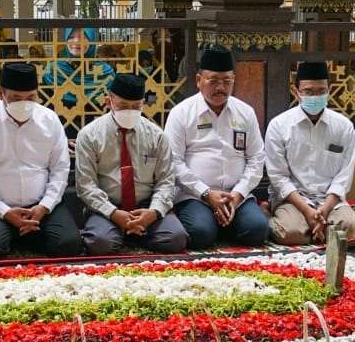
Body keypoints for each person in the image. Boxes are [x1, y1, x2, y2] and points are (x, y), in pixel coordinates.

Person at [0, 62, 82, 260]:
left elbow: (60, 169)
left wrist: (44, 206)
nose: (24, 104)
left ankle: (24, 233)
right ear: (0, 93)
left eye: (30, 98)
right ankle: (20, 233)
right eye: (16, 98)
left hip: (42, 206)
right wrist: (5, 212)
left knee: (69, 245)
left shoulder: (49, 120)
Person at [164, 45, 268, 249]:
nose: (220, 88)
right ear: (198, 80)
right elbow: (173, 162)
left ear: (233, 81)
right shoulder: (181, 113)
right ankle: (216, 223)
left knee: (257, 231)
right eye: (213, 81)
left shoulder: (245, 112)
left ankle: (227, 219)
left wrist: (238, 194)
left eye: (226, 82)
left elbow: (257, 158)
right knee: (201, 234)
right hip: (195, 195)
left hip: (237, 195)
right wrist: (206, 193)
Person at [75, 73, 188, 256]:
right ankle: (125, 231)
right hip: (108, 206)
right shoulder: (89, 135)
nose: (130, 112)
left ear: (143, 103)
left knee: (175, 238)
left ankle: (134, 229)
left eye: (136, 107)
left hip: (146, 205)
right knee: (100, 243)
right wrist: (113, 213)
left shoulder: (156, 136)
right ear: (109, 100)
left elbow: (166, 182)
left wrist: (154, 212)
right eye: (123, 106)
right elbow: (85, 185)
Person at [265, 61, 355, 245]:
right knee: (291, 234)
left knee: (347, 227)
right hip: (293, 198)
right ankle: (267, 212)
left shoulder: (343, 127)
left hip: (329, 199)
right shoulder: (280, 125)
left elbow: (344, 176)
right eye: (308, 91)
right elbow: (278, 177)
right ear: (296, 91)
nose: (315, 96)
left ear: (329, 90)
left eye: (320, 91)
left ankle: (317, 226)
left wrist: (324, 210)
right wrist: (308, 211)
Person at [42, 27, 116, 120]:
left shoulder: (105, 72)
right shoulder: (53, 71)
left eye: (83, 37)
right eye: (71, 37)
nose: (76, 41)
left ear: (92, 40)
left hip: (94, 130)